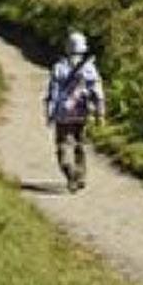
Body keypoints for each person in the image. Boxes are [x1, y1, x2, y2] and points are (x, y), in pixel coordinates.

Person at [45, 30, 106, 192]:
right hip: (82, 112)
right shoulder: (89, 68)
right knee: (80, 144)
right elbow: (97, 91)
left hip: (63, 114)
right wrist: (100, 112)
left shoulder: (58, 67)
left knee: (63, 144)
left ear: (67, 47)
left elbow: (53, 93)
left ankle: (69, 171)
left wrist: (50, 114)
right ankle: (81, 174)